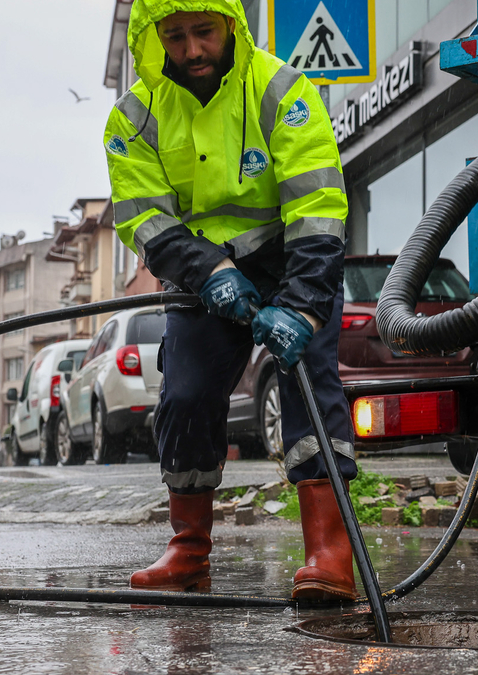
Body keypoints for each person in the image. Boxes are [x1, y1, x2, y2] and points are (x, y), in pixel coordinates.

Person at [103, 0, 358, 601]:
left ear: (230, 27)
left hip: (290, 257)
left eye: (204, 32)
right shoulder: (132, 117)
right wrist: (210, 271)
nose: (192, 50)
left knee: (307, 384)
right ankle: (188, 549)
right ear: (154, 38)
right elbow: (142, 217)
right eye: (176, 36)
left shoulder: (281, 89)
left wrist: (299, 305)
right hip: (199, 269)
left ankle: (330, 553)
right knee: (186, 395)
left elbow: (318, 205)